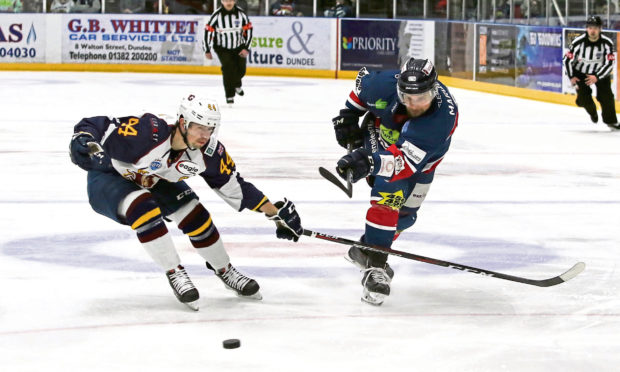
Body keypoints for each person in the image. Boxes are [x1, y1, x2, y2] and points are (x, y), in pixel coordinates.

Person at [69, 94, 303, 311]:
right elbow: (96, 125)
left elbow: (236, 187)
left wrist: (275, 213)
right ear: (183, 123)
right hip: (109, 177)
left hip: (155, 179)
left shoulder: (209, 153)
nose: (204, 135)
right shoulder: (147, 133)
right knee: (143, 207)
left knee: (195, 214)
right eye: (199, 127)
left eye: (209, 129)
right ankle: (175, 271)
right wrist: (83, 140)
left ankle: (225, 270)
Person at [331, 58, 458, 305]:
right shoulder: (382, 84)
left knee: (407, 216)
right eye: (408, 97)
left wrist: (368, 162)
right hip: (381, 136)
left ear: (434, 90)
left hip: (423, 158)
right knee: (389, 195)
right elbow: (361, 86)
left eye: (422, 98)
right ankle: (376, 267)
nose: (414, 104)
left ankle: (364, 249)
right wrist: (348, 115)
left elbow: (404, 164)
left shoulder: (441, 120)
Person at [563, 15, 619, 130]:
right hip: (580, 73)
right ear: (586, 28)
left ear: (600, 29)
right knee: (583, 98)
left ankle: (611, 121)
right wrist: (572, 76)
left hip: (599, 73)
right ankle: (592, 111)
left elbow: (609, 63)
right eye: (590, 28)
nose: (592, 31)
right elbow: (567, 60)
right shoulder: (578, 42)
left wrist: (597, 76)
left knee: (607, 96)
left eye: (595, 28)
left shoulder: (607, 43)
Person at [203, 0, 253, 105]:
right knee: (228, 68)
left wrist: (246, 48)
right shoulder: (216, 15)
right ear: (221, 1)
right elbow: (208, 31)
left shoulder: (241, 14)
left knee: (241, 70)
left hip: (239, 46)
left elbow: (249, 30)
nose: (228, 2)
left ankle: (236, 84)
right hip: (222, 48)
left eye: (230, 0)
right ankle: (229, 95)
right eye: (225, 0)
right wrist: (207, 49)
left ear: (235, 1)